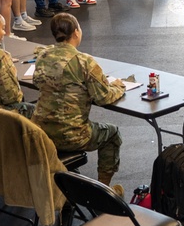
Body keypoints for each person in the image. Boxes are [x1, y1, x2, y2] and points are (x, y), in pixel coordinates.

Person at [31, 13, 127, 194]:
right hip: (72, 135)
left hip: (41, 132)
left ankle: (66, 189)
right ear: (76, 33)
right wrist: (118, 87)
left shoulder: (43, 55)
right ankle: (104, 191)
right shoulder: (84, 61)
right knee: (112, 134)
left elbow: (38, 82)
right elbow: (104, 97)